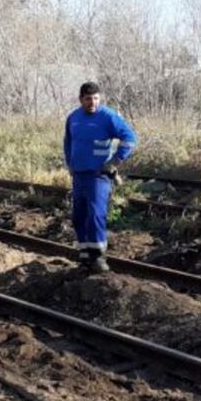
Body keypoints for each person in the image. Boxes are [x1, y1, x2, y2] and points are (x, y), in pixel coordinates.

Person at [63, 81, 138, 274]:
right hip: (79, 176)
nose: (93, 102)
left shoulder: (108, 117)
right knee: (79, 216)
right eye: (88, 99)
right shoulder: (73, 118)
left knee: (96, 215)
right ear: (81, 99)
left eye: (96, 98)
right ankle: (85, 254)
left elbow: (130, 139)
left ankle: (98, 257)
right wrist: (70, 163)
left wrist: (114, 162)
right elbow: (68, 141)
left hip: (98, 176)